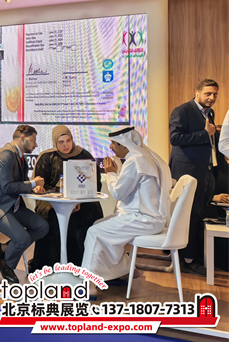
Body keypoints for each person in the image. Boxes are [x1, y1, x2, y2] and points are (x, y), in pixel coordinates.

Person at [82, 127, 171, 288]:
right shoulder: (141, 157)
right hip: (145, 217)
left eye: (113, 143)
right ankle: (124, 271)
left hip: (144, 219)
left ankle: (89, 285)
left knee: (93, 232)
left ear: (123, 144)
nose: (110, 147)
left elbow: (118, 193)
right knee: (98, 225)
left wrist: (110, 173)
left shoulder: (135, 161)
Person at [0, 125, 49, 284]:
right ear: (22, 138)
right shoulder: (6, 154)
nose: (35, 144)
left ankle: (2, 250)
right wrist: (33, 183)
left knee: (42, 226)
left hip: (10, 204)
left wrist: (33, 187)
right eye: (33, 139)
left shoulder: (19, 156)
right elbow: (7, 187)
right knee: (22, 238)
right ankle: (6, 265)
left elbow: (20, 183)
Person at [29, 125, 103, 270]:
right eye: (61, 142)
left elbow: (95, 184)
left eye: (68, 141)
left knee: (89, 214)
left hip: (82, 199)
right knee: (49, 215)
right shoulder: (47, 157)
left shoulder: (84, 155)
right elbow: (39, 183)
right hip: (53, 200)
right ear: (55, 142)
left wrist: (78, 199)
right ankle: (49, 265)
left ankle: (83, 265)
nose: (65, 145)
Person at [169, 78, 219, 276]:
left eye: (215, 94)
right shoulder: (182, 110)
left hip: (204, 170)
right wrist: (204, 134)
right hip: (186, 172)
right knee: (187, 216)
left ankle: (193, 256)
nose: (212, 97)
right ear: (197, 92)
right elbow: (175, 138)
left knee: (198, 214)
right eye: (208, 93)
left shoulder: (209, 112)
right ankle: (186, 259)